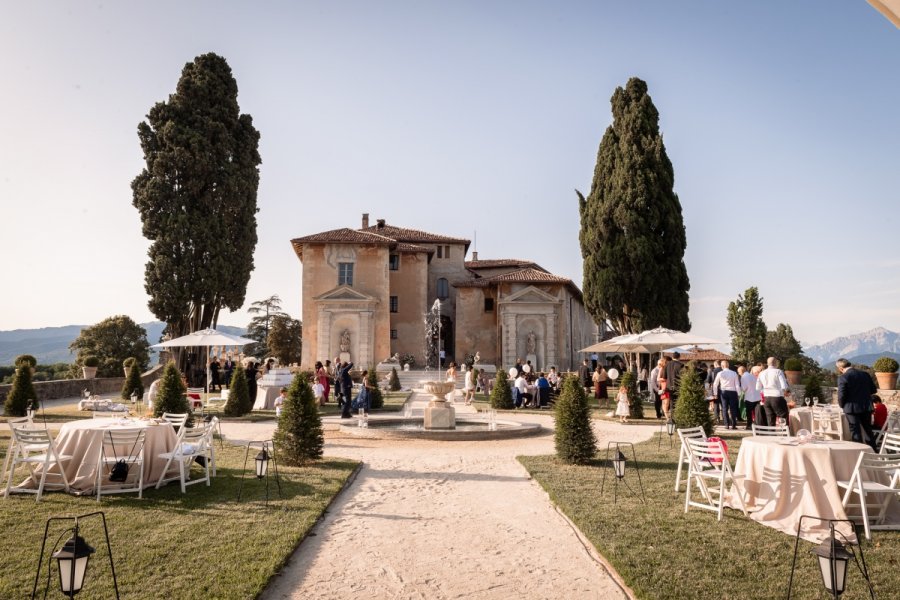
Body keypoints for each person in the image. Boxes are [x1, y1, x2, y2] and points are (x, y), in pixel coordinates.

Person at [836, 358, 878, 450]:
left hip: (851, 408)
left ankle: (858, 454)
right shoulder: (865, 374)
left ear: (840, 368)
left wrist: (842, 405)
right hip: (866, 406)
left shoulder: (843, 377)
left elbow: (841, 395)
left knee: (855, 432)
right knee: (868, 431)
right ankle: (874, 453)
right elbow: (874, 390)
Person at [757, 357, 790, 427]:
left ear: (768, 363)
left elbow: (758, 387)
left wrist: (765, 390)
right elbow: (784, 386)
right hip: (777, 397)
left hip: (767, 398)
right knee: (783, 416)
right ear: (776, 363)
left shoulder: (762, 373)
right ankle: (784, 435)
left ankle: (771, 436)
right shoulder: (778, 371)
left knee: (770, 419)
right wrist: (785, 392)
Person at [713, 360, 742, 430]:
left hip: (724, 391)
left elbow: (715, 384)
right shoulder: (734, 373)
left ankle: (726, 424)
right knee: (733, 409)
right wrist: (739, 394)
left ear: (722, 366)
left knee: (724, 408)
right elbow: (737, 385)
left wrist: (715, 394)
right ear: (728, 365)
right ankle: (734, 424)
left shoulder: (720, 373)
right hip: (733, 392)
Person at [740, 365, 762, 431]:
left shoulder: (743, 377)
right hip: (757, 396)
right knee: (756, 413)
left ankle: (749, 425)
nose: (739, 374)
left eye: (739, 372)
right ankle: (757, 425)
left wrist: (741, 390)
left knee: (749, 412)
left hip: (749, 397)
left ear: (741, 371)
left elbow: (744, 388)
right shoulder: (752, 376)